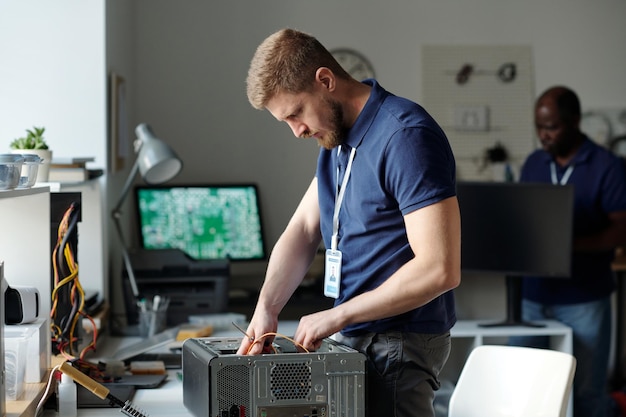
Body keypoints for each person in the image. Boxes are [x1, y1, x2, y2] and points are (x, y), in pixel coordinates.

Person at [237, 28, 461, 417]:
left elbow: (440, 269)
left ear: (325, 81)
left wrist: (336, 315)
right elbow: (303, 230)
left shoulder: (405, 136)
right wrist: (266, 308)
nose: (297, 131)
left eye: (295, 114)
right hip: (361, 333)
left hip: (398, 340)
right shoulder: (337, 140)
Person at [510, 86, 626, 417]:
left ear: (575, 121)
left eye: (552, 127)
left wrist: (569, 247)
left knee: (587, 392)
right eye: (539, 127)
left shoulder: (607, 165)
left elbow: (622, 227)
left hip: (584, 298)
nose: (544, 135)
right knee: (526, 387)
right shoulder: (534, 163)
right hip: (533, 297)